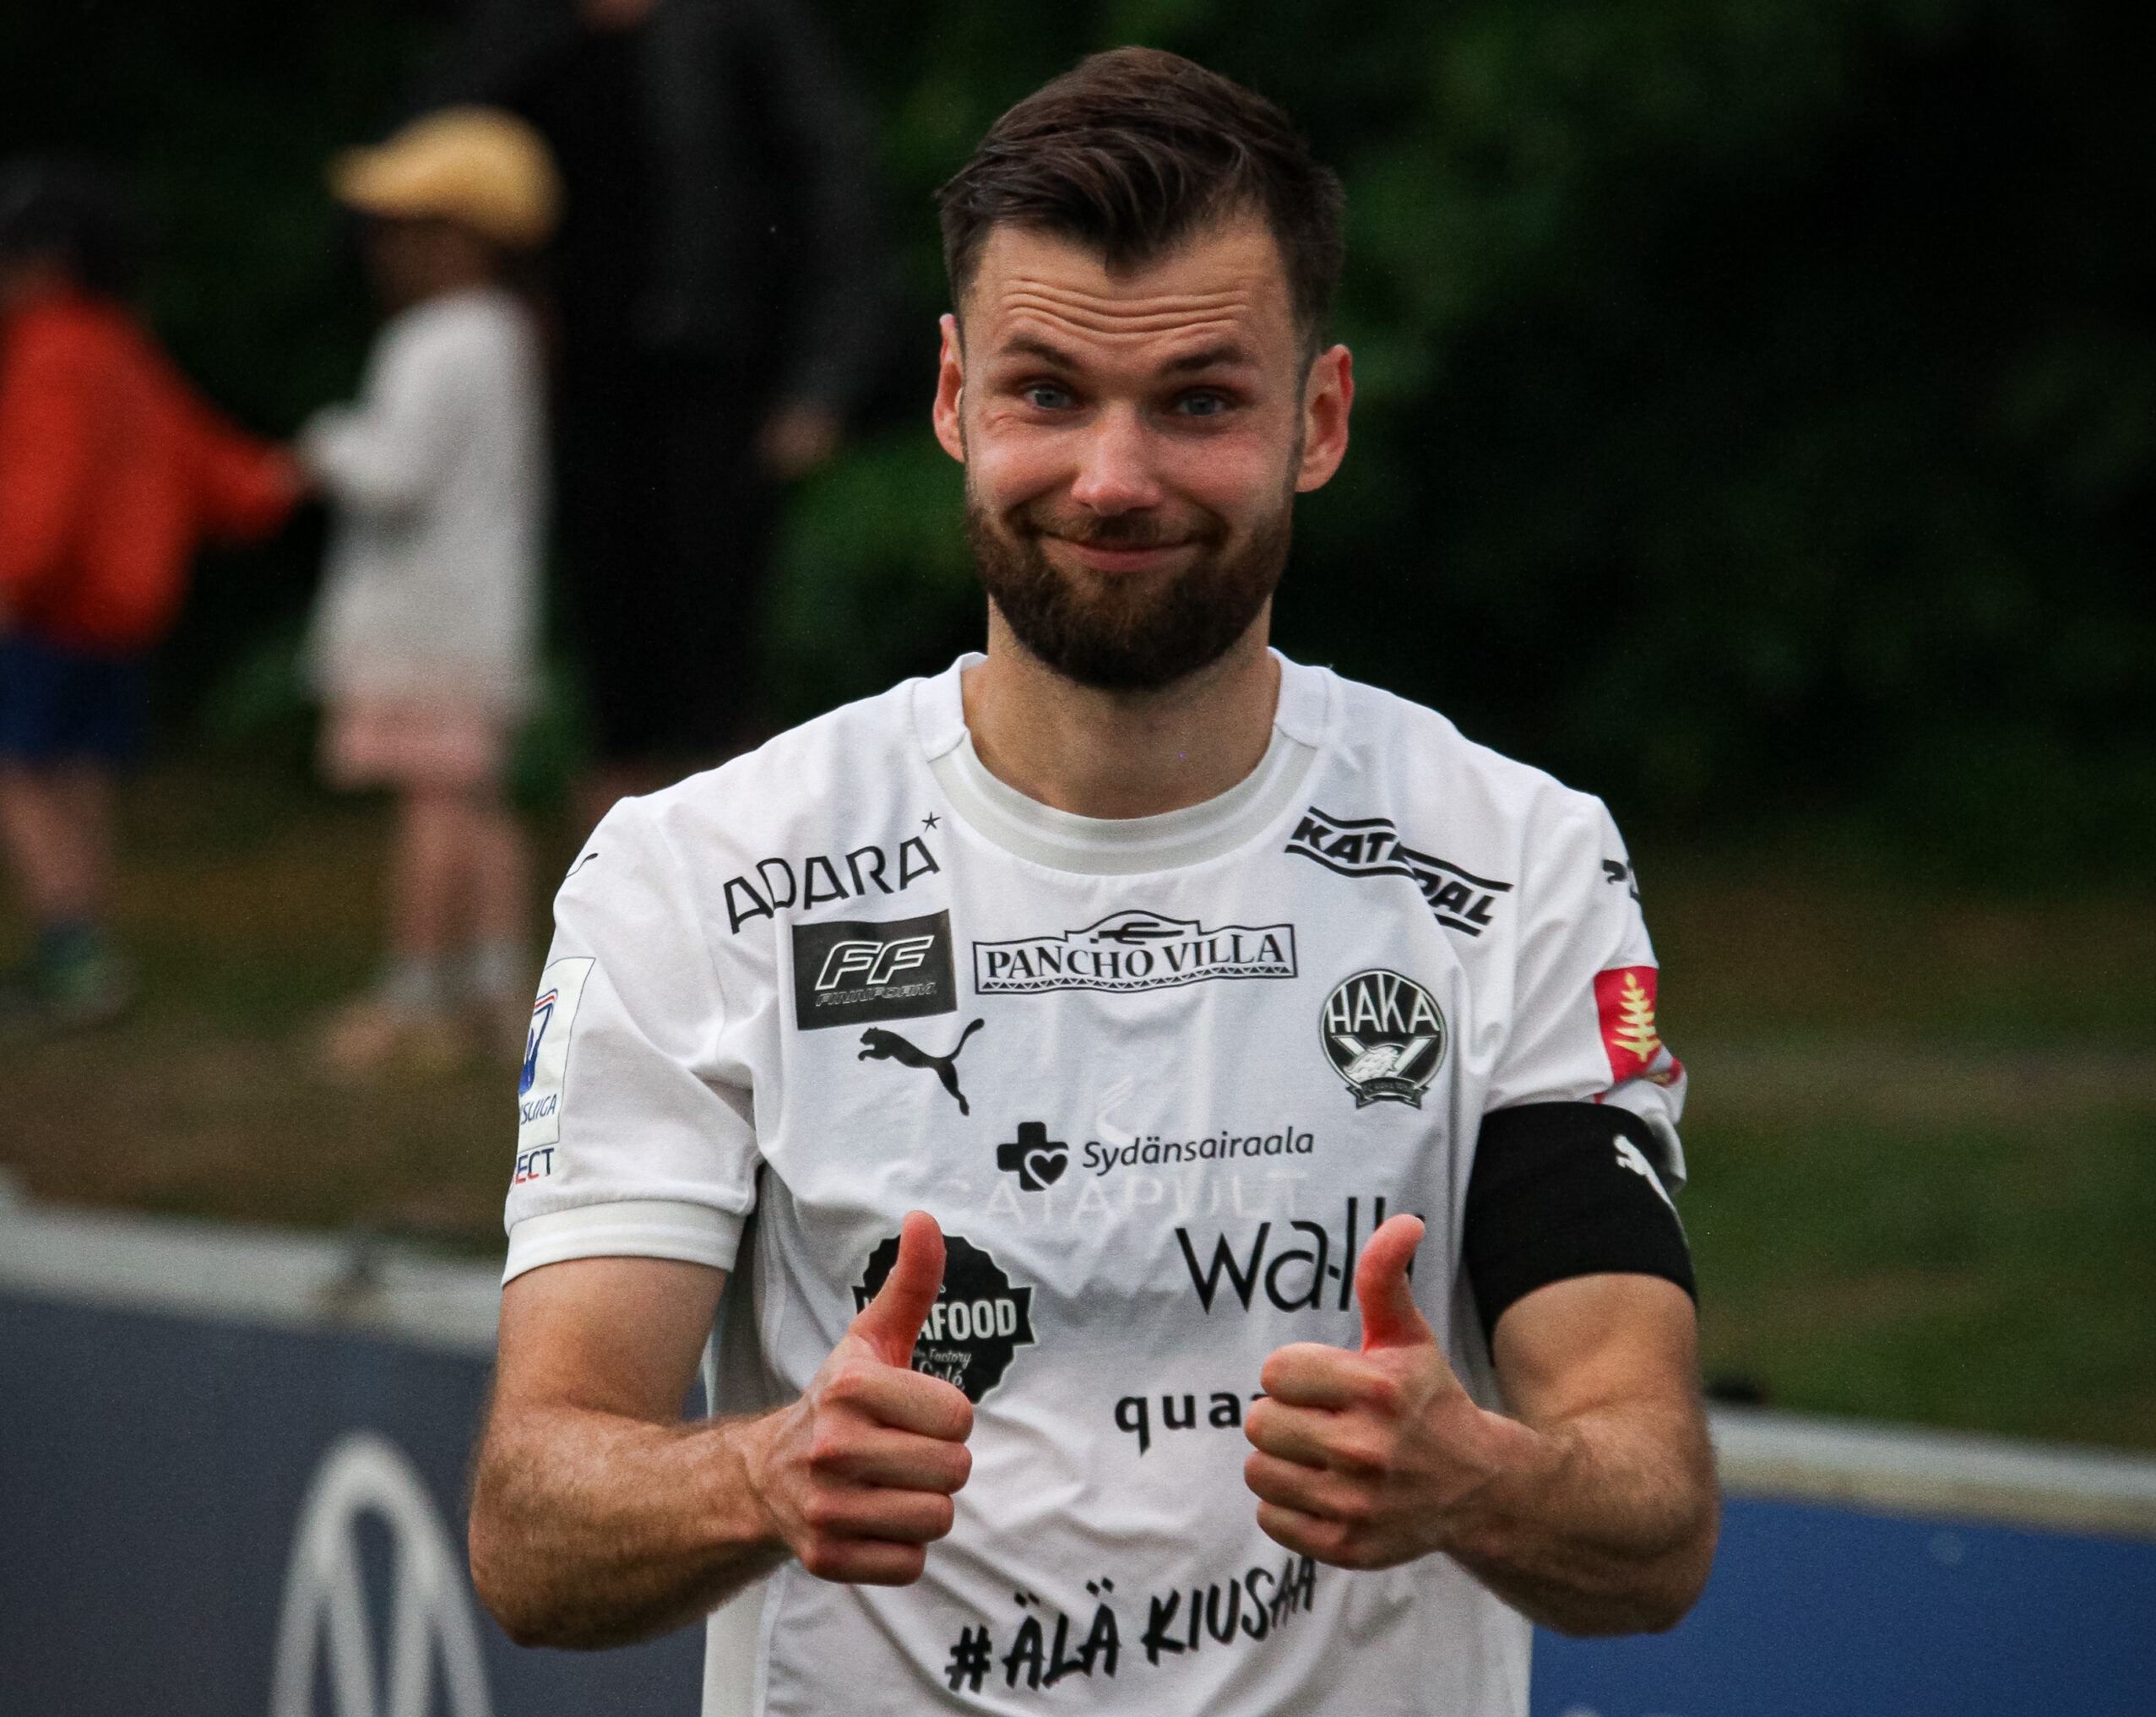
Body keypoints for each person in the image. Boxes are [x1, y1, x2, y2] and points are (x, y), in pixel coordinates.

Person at [470, 48, 1718, 1717]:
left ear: (1319, 419)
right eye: (1047, 392)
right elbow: (531, 1525)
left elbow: (1651, 1512)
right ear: (950, 398)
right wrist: (758, 1473)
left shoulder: (1512, 863)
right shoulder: (702, 873)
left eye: (1198, 401)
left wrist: (1479, 1478)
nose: (1113, 477)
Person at [442, 0, 893, 823]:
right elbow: (439, 168)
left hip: (721, 381)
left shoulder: (744, 24)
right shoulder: (523, 34)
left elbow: (835, 190)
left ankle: (744, 865)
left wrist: (821, 382)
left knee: (718, 643)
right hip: (577, 391)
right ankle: (619, 873)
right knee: (609, 659)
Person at [0, 160, 301, 1035]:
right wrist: (280, 481)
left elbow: (46, 488)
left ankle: (70, 952)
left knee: (20, 775)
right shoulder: (125, 347)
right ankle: (87, 951)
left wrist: (9, 577)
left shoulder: (55, 348)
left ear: (48, 261)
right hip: (123, 616)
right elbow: (206, 459)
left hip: (55, 606)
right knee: (80, 775)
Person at [299, 109, 557, 1075]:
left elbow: (395, 473)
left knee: (434, 807)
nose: (384, 246)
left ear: (465, 236)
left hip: (426, 625)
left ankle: (414, 1002)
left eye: (407, 226)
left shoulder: (434, 340)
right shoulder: (504, 334)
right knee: (477, 802)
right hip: (480, 620)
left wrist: (328, 443)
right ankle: (499, 990)